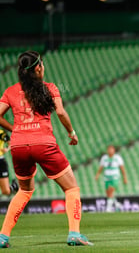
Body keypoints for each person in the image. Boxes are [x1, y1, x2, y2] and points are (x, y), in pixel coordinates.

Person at [0, 51, 92, 247]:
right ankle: (74, 233)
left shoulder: (10, 91)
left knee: (24, 191)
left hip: (18, 146)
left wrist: (15, 129)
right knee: (72, 188)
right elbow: (60, 111)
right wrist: (71, 132)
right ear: (38, 68)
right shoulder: (49, 88)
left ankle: (3, 237)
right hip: (44, 144)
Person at [95, 145, 128, 212]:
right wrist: (97, 175)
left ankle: (108, 208)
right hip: (107, 178)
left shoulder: (117, 158)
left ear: (114, 150)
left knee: (110, 190)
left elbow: (122, 168)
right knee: (108, 193)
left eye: (111, 149)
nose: (110, 151)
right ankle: (117, 204)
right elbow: (101, 168)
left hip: (115, 177)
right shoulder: (104, 158)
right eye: (109, 149)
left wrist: (124, 177)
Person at [0, 129, 19, 196]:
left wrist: (6, 149)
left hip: (0, 163)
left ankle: (14, 186)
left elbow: (11, 143)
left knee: (5, 191)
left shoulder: (1, 133)